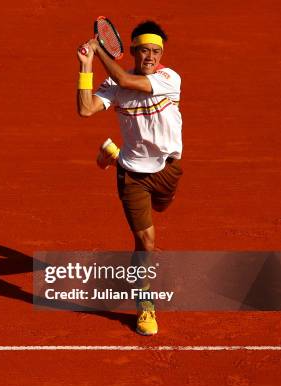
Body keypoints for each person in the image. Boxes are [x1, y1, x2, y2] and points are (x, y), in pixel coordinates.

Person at [76, 21, 183, 335]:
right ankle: (144, 303)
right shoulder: (114, 83)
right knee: (146, 242)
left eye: (156, 51)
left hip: (168, 170)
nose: (150, 56)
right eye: (144, 50)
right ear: (133, 51)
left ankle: (110, 152)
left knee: (162, 209)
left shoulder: (168, 77)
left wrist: (97, 50)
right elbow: (85, 109)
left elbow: (123, 77)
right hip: (133, 174)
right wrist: (85, 66)